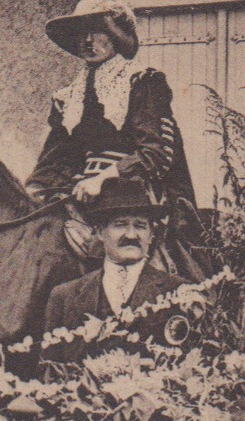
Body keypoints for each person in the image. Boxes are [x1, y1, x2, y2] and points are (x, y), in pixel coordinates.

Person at [28, 0, 202, 278]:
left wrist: (103, 178)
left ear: (116, 36)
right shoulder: (67, 97)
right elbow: (54, 160)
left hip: (136, 193)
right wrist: (34, 190)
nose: (87, 40)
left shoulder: (142, 83)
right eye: (81, 32)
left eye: (97, 32)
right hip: (82, 196)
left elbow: (155, 155)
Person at [43, 178, 189, 357]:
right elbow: (49, 370)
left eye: (140, 226)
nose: (131, 235)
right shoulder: (63, 297)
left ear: (151, 235)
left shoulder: (179, 292)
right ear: (100, 232)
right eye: (120, 224)